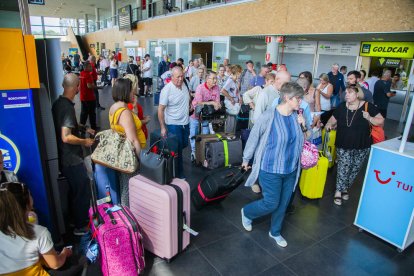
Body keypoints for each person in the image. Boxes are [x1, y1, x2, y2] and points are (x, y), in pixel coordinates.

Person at [241, 82, 308, 248]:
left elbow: (306, 139)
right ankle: (247, 212)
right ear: (287, 98)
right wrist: (246, 158)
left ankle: (275, 232)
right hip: (270, 168)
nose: (300, 101)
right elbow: (254, 137)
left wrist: (304, 125)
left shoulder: (296, 116)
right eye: (297, 98)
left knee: (283, 204)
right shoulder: (269, 115)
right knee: (271, 202)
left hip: (291, 169)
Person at [325, 85, 384, 206]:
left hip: (362, 145)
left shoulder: (368, 106)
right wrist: (329, 124)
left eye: (350, 92)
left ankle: (345, 188)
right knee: (344, 167)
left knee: (354, 168)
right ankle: (338, 191)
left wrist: (369, 117)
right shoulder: (341, 107)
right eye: (346, 92)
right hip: (343, 143)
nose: (346, 94)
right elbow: (332, 119)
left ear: (357, 94)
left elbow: (381, 120)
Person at [52, 73, 94, 236]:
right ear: (76, 87)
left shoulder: (59, 103)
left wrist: (84, 128)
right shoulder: (67, 108)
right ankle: (81, 225)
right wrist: (84, 142)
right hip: (71, 158)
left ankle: (73, 219)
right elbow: (66, 136)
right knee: (81, 189)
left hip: (64, 157)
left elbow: (70, 125)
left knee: (74, 190)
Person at [0, 182, 72, 275]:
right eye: (30, 195)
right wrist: (64, 253)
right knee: (81, 260)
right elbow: (55, 264)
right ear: (26, 203)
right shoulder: (40, 232)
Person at [109, 78, 146, 206]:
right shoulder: (124, 113)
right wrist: (142, 160)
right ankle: (128, 217)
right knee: (130, 188)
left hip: (122, 155)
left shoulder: (115, 107)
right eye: (132, 92)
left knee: (126, 185)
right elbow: (133, 139)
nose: (134, 94)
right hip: (130, 157)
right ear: (125, 92)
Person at [158, 66, 190, 179]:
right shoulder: (167, 90)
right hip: (173, 125)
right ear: (172, 77)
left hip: (185, 123)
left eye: (182, 76)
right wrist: (162, 127)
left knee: (184, 145)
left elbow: (186, 98)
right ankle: (178, 174)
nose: (180, 79)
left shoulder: (184, 84)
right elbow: (160, 109)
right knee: (177, 151)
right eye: (178, 77)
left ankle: (175, 166)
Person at [189, 71, 221, 161]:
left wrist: (217, 104)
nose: (215, 80)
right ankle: (194, 152)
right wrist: (212, 102)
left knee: (205, 134)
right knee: (193, 134)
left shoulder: (217, 88)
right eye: (213, 78)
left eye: (216, 78)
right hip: (196, 114)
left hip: (207, 115)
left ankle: (203, 152)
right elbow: (199, 103)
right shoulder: (200, 88)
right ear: (207, 79)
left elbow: (217, 101)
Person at [221, 64, 243, 133]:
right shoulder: (230, 80)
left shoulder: (235, 81)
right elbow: (223, 91)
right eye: (240, 72)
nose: (241, 74)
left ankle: (232, 137)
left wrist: (240, 98)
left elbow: (237, 91)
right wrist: (231, 98)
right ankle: (228, 137)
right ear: (237, 72)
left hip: (235, 103)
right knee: (230, 122)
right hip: (230, 103)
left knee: (233, 122)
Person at [79, 61, 97, 131]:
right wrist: (96, 87)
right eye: (90, 66)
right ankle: (93, 127)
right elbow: (89, 86)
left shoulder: (81, 74)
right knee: (92, 113)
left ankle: (81, 128)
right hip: (89, 98)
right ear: (85, 67)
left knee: (83, 113)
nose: (91, 67)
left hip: (83, 97)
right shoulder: (88, 75)